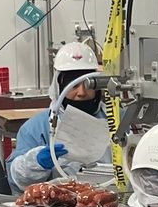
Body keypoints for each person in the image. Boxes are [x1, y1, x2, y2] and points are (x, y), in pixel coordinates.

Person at [8, 40, 108, 191]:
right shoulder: (36, 128)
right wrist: (36, 163)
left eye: (88, 85)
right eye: (73, 85)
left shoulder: (116, 120)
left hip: (109, 201)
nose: (81, 93)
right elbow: (19, 181)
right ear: (59, 86)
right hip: (55, 206)